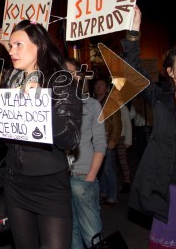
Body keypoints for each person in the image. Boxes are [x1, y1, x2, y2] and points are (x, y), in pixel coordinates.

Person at [0, 20, 82, 248]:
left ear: (40, 46)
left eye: (18, 45)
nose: (11, 51)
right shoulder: (10, 81)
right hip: (16, 184)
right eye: (10, 46)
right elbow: (5, 131)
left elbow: (71, 137)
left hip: (50, 187)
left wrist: (39, 105)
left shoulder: (61, 82)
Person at [124, 6, 176, 247]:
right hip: (170, 191)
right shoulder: (161, 99)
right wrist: (134, 31)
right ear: (170, 72)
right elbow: (132, 72)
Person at [65, 58, 106, 249]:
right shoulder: (53, 106)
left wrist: (90, 177)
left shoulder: (92, 105)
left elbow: (100, 143)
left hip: (83, 176)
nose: (69, 77)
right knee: (70, 231)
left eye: (74, 73)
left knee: (91, 233)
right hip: (60, 179)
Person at [93, 78, 122, 207]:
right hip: (94, 140)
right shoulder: (92, 101)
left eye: (102, 84)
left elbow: (117, 123)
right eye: (97, 84)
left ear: (106, 88)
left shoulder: (111, 103)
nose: (99, 87)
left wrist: (113, 140)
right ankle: (103, 192)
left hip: (106, 139)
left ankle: (112, 196)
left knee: (108, 169)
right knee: (99, 168)